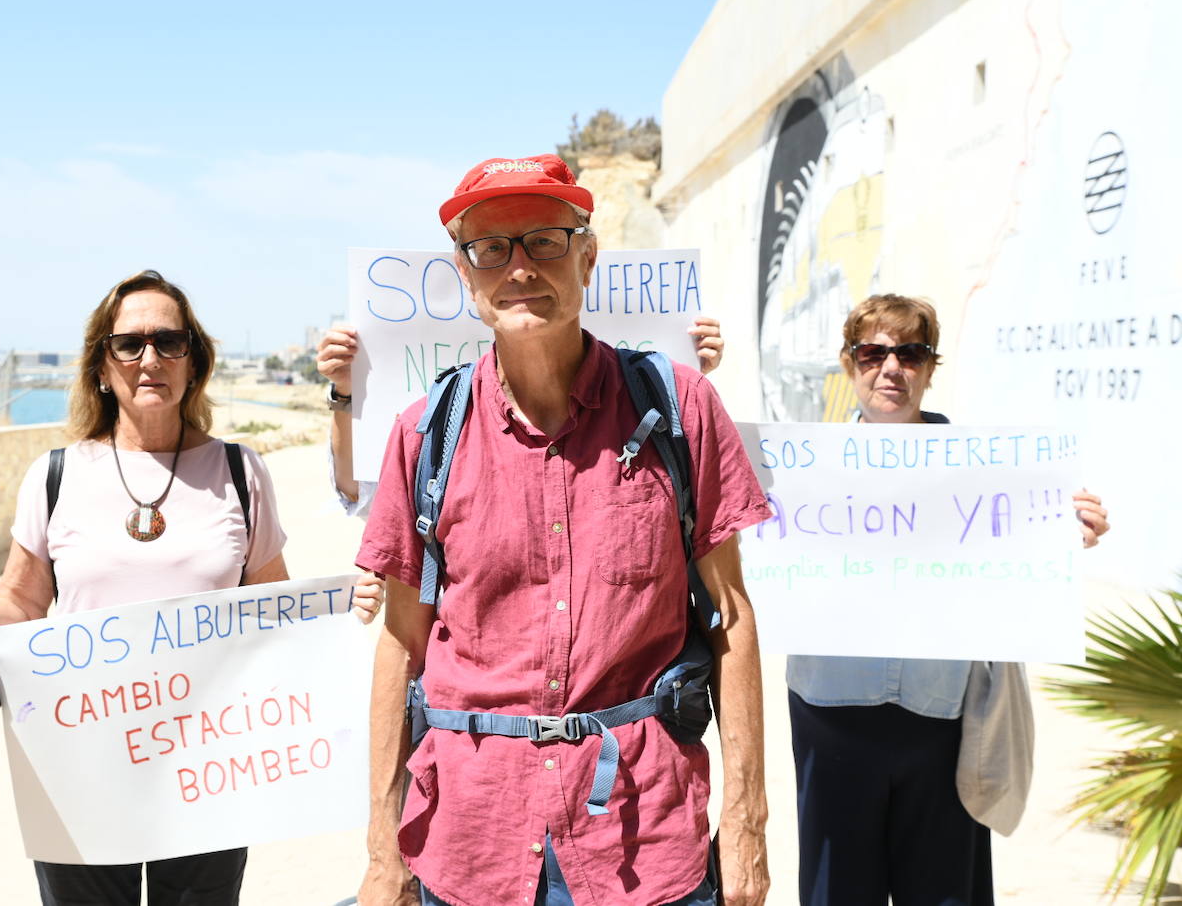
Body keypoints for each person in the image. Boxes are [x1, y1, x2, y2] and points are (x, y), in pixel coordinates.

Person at [354, 154, 773, 906]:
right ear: (466, 273)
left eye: (544, 240)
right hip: (470, 841)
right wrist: (385, 848)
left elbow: (733, 620)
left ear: (586, 254)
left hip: (642, 842)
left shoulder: (681, 409)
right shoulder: (425, 436)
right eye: (492, 248)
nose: (519, 268)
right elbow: (402, 640)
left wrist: (747, 821)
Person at [0, 269, 289, 906]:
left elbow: (277, 614)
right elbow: (18, 600)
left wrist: (342, 608)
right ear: (103, 364)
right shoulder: (56, 475)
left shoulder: (241, 473)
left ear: (193, 361)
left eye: (169, 342)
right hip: (79, 766)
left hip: (207, 768)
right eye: (128, 343)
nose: (149, 358)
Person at [786, 294, 1111, 906]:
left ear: (931, 369)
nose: (891, 368)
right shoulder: (796, 470)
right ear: (847, 362)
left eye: (910, 353)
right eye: (873, 352)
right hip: (831, 712)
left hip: (941, 718)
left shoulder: (990, 474)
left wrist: (1067, 535)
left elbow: (1026, 547)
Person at [316, 315, 726, 520]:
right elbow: (360, 492)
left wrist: (674, 379)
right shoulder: (429, 432)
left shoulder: (661, 409)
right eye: (493, 249)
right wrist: (345, 394)